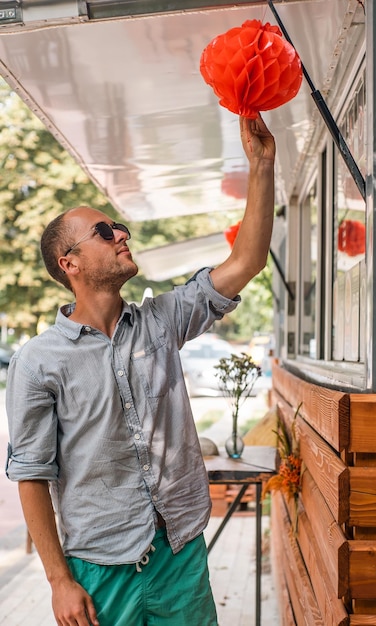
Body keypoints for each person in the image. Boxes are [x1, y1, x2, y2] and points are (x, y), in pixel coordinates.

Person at [5, 114, 275, 626]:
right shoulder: (37, 361)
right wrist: (60, 580)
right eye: (105, 232)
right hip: (98, 571)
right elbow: (31, 476)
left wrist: (261, 164)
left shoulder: (162, 322)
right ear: (71, 263)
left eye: (120, 227)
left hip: (180, 556)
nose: (121, 235)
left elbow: (246, 262)